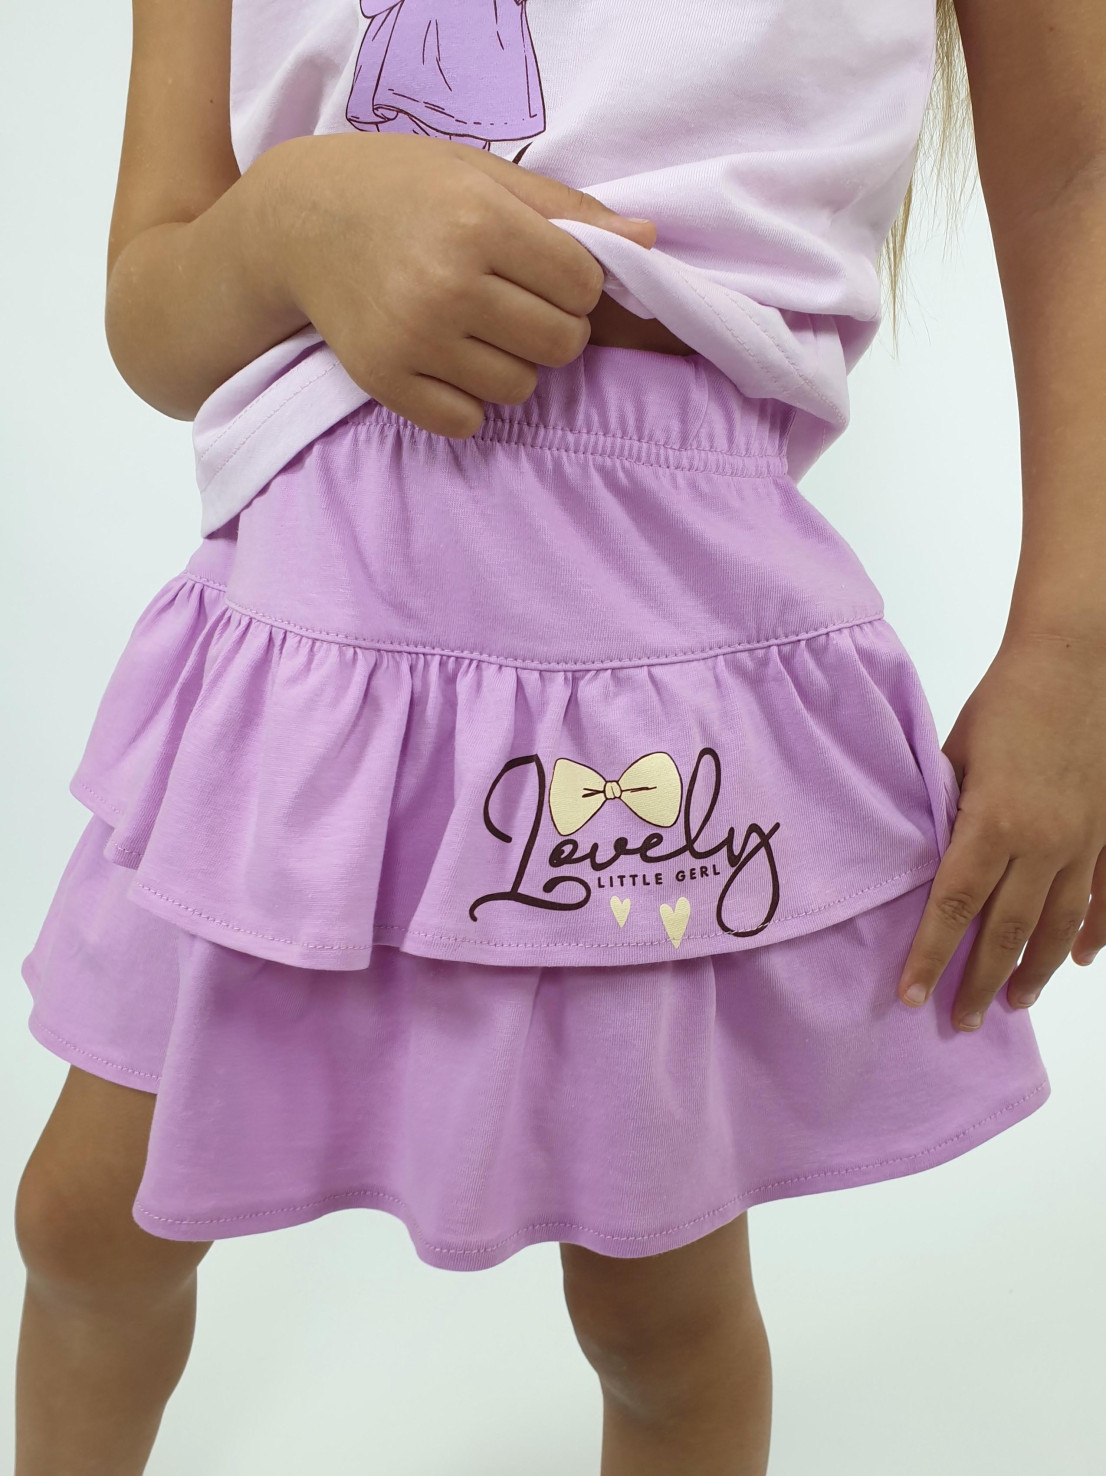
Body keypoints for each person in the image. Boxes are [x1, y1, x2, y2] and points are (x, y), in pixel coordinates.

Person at [12, 1, 1106, 1472]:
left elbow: (1078, 170)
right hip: (303, 615)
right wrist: (287, 221)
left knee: (657, 1315)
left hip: (654, 635)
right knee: (81, 1227)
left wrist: (1076, 647)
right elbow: (155, 313)